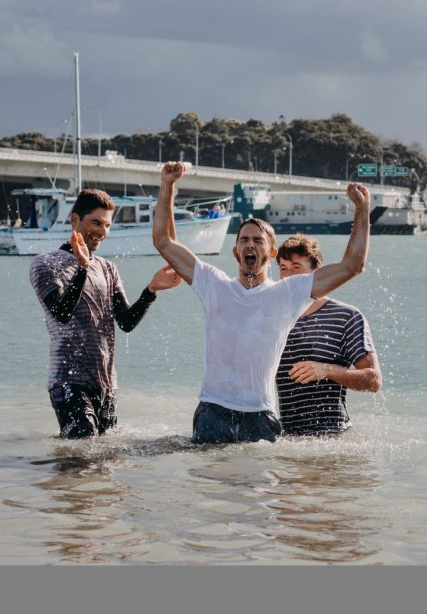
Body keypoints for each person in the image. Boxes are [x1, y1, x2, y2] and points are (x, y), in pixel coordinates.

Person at [152, 161, 371, 444]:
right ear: (235, 250)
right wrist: (168, 186)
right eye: (244, 240)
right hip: (211, 411)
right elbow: (163, 241)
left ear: (271, 252)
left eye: (258, 240)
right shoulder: (213, 283)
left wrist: (362, 210)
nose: (250, 245)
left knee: (260, 487)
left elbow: (353, 265)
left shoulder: (289, 292)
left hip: (260, 416)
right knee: (209, 487)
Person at [29, 188, 182, 438]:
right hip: (69, 381)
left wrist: (151, 289)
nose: (102, 231)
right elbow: (61, 312)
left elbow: (126, 322)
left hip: (106, 384)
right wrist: (82, 268)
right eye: (96, 222)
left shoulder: (108, 269)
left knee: (102, 463)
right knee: (82, 450)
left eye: (108, 225)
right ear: (75, 220)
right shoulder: (45, 264)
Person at [275, 235, 382, 436]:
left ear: (317, 272)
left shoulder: (346, 316)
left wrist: (327, 370)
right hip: (287, 438)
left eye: (296, 267)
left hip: (333, 437)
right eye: (283, 268)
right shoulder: (273, 317)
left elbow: (374, 380)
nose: (288, 276)